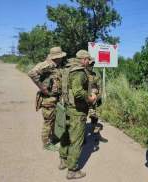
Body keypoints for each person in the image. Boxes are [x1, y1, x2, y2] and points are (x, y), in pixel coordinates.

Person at [58, 50, 96, 180]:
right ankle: (72, 170)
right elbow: (78, 92)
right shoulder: (79, 71)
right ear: (84, 59)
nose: (89, 62)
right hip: (76, 110)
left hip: (65, 107)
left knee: (65, 135)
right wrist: (90, 98)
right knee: (76, 140)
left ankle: (63, 160)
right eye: (88, 60)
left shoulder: (67, 68)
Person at [28, 47, 66, 151]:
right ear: (56, 57)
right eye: (60, 56)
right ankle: (46, 144)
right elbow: (31, 73)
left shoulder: (55, 65)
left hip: (55, 98)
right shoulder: (47, 64)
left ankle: (54, 137)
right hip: (48, 99)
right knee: (48, 122)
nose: (62, 58)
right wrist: (41, 87)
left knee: (54, 119)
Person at [87, 59, 108, 143]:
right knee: (81, 120)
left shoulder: (94, 75)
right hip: (82, 101)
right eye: (90, 64)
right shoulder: (80, 74)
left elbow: (99, 87)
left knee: (94, 117)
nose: (91, 66)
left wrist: (99, 97)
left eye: (92, 64)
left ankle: (96, 135)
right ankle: (81, 138)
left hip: (92, 101)